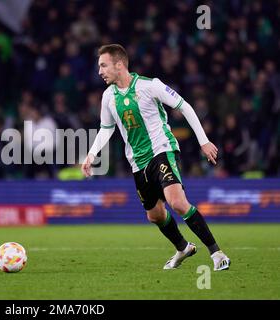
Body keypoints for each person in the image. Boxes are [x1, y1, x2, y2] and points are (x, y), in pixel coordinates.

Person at [81, 44, 230, 271]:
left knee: (177, 203)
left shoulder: (151, 86)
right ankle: (182, 248)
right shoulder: (108, 96)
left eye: (103, 65)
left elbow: (185, 106)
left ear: (119, 64)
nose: (99, 71)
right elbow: (106, 128)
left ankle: (217, 253)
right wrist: (92, 154)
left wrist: (204, 141)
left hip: (161, 150)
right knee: (155, 216)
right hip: (137, 163)